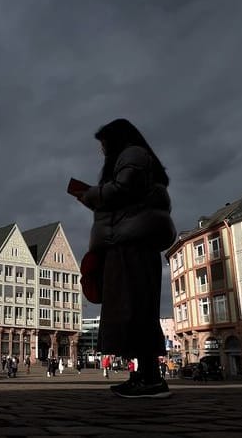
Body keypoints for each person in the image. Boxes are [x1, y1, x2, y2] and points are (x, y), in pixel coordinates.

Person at [71, 118, 176, 399]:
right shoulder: (138, 158)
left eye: (104, 144)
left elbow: (122, 191)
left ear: (115, 140)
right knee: (133, 310)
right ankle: (141, 376)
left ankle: (151, 379)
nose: (102, 151)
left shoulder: (132, 155)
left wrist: (90, 195)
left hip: (131, 243)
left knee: (136, 309)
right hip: (129, 241)